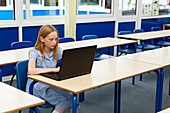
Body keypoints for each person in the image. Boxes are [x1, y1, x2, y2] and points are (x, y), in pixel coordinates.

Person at [26, 25, 72, 113]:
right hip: (37, 86)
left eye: (56, 39)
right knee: (62, 101)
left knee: (71, 97)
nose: (54, 42)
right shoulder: (34, 52)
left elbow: (67, 63)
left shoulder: (58, 51)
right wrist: (53, 69)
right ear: (42, 39)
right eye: (51, 39)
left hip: (51, 83)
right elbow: (31, 70)